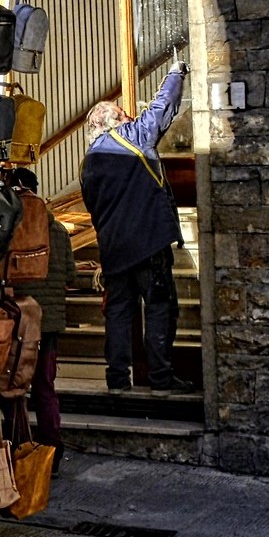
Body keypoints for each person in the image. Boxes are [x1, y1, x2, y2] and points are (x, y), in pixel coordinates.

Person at [80, 61, 193, 396]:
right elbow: (161, 108)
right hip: (147, 243)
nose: (130, 115)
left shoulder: (89, 162)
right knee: (160, 307)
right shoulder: (131, 137)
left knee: (118, 313)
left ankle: (118, 381)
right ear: (113, 121)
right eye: (124, 112)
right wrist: (175, 72)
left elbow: (93, 208)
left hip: (114, 248)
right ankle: (160, 379)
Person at [8, 168, 73, 474]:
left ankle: (17, 447)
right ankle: (52, 453)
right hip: (48, 324)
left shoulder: (11, 226)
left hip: (19, 320)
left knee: (13, 385)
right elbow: (71, 275)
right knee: (45, 387)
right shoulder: (58, 229)